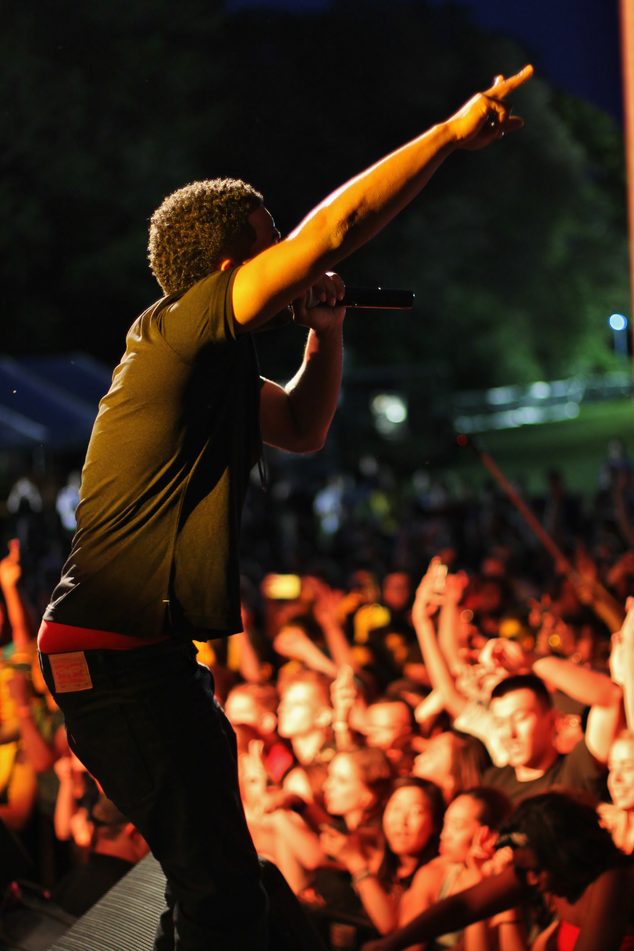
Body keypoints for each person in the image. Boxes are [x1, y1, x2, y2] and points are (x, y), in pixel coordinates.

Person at [36, 63, 533, 950]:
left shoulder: (211, 368)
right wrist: (451, 136)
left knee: (216, 886)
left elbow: (302, 425)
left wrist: (326, 334)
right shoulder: (176, 330)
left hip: (145, 658)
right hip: (112, 658)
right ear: (231, 265)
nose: (299, 257)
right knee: (223, 894)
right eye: (272, 244)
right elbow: (334, 228)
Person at [361, 791, 634, 951]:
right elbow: (463, 905)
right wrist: (390, 945)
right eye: (524, 869)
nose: (529, 880)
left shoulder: (612, 880)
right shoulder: (541, 870)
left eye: (535, 870)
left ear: (564, 854)